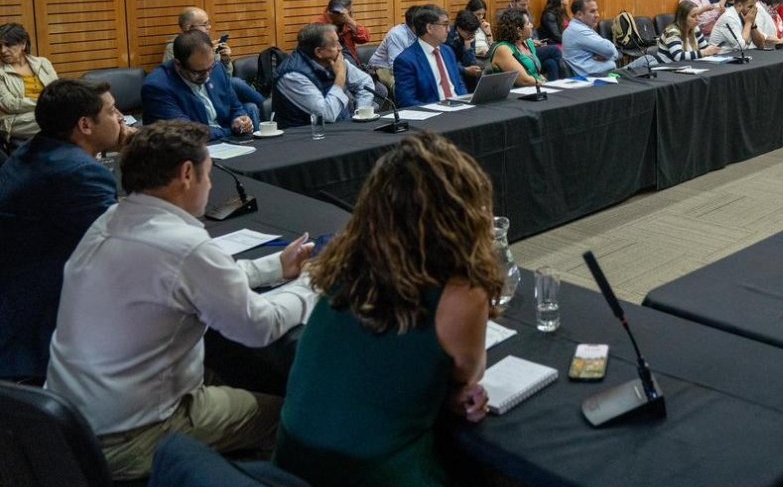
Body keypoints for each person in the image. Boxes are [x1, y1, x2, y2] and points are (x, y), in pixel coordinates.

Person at [44, 121, 317, 481]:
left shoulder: (111, 220)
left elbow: (193, 280)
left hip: (68, 426)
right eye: (208, 173)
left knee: (232, 369)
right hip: (134, 436)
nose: (210, 185)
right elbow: (260, 327)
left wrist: (275, 267)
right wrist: (311, 285)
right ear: (187, 174)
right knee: (293, 417)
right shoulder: (183, 245)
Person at [274, 132, 502, 487]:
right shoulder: (461, 295)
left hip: (289, 462)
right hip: (373, 472)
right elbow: (469, 376)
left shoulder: (345, 262)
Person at [0, 79, 127, 381]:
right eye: (112, 111)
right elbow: (122, 246)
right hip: (41, 319)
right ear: (85, 125)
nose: (121, 118)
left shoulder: (36, 148)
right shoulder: (79, 172)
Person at [142, 31, 255, 141]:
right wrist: (230, 130)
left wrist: (239, 119)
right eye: (199, 72)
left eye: (210, 68)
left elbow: (235, 107)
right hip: (185, 148)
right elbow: (189, 132)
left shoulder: (217, 68)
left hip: (225, 143)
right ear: (178, 64)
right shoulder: (157, 87)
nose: (207, 76)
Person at [161, 8, 265, 118]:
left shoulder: (207, 44)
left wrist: (225, 60)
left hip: (219, 91)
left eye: (208, 23)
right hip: (197, 93)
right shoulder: (174, 48)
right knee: (236, 82)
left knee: (251, 107)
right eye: (204, 24)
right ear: (188, 28)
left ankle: (269, 112)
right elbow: (175, 80)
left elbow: (226, 76)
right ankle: (270, 106)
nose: (209, 27)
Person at [274, 24, 377, 129]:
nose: (340, 48)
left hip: (343, 128)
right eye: (335, 44)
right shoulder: (293, 76)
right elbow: (327, 115)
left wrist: (360, 113)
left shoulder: (332, 60)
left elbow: (365, 82)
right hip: (307, 134)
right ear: (319, 52)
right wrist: (340, 77)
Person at [393, 5, 468, 107]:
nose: (449, 30)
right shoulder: (406, 60)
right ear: (429, 28)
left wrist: (466, 104)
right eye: (445, 25)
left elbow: (459, 85)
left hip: (460, 108)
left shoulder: (448, 51)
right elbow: (406, 101)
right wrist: (439, 109)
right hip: (434, 112)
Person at [0, 22, 58, 146]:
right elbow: (9, 105)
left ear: (23, 44)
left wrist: (53, 103)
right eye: (0, 46)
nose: (3, 50)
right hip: (17, 122)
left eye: (8, 45)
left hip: (46, 112)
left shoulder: (43, 63)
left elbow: (57, 92)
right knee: (61, 118)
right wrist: (46, 102)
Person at [504, 0, 565, 80]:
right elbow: (511, 38)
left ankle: (555, 87)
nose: (525, 7)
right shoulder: (506, 17)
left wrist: (535, 41)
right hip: (518, 51)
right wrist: (531, 42)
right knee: (554, 50)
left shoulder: (526, 12)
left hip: (531, 46)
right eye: (522, 5)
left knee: (551, 63)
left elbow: (533, 31)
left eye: (527, 4)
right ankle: (566, 82)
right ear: (513, 2)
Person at [368, 5, 426, 88]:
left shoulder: (423, 34)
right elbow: (395, 67)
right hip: (382, 68)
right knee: (406, 84)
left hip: (408, 67)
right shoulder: (397, 34)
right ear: (415, 25)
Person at [563, 0, 619, 77]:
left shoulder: (579, 27)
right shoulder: (579, 31)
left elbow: (611, 53)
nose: (597, 15)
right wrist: (608, 54)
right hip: (596, 79)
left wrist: (608, 55)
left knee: (640, 63)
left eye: (596, 11)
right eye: (592, 11)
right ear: (579, 14)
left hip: (603, 75)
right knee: (640, 64)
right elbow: (610, 50)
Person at [488, 8, 547, 86]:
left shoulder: (528, 43)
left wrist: (545, 82)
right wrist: (544, 84)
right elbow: (524, 80)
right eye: (528, 23)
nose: (532, 25)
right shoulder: (503, 49)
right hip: (516, 92)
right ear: (519, 30)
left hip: (534, 88)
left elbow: (536, 73)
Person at [654, 0, 721, 63]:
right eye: (693, 16)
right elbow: (678, 56)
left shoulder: (695, 29)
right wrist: (704, 52)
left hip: (688, 66)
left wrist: (712, 50)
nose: (698, 18)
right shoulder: (672, 32)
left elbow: (705, 48)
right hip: (667, 68)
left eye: (698, 15)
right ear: (683, 18)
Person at [315, 0, 371, 68]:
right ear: (334, 13)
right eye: (349, 12)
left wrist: (349, 20)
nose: (350, 15)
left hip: (352, 65)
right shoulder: (318, 26)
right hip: (330, 66)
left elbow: (365, 38)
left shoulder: (346, 22)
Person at [446, 10, 485, 91]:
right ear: (459, 28)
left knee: (478, 69)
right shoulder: (448, 37)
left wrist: (468, 47)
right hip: (451, 69)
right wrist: (465, 70)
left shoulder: (470, 35)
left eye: (474, 33)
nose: (472, 35)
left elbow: (471, 62)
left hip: (463, 65)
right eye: (470, 33)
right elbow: (448, 63)